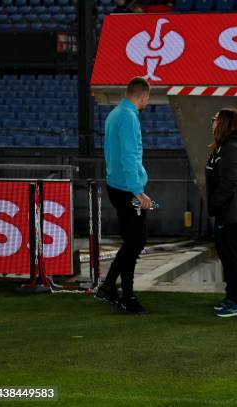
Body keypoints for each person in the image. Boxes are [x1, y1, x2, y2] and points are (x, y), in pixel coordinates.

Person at [96, 77, 151, 315]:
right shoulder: (128, 118)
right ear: (144, 97)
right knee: (135, 241)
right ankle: (127, 295)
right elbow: (130, 156)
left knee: (133, 241)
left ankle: (109, 286)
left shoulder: (115, 114)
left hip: (116, 185)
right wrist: (137, 191)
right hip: (127, 188)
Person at [205, 107, 237, 318]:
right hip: (228, 211)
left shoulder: (232, 148)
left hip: (232, 212)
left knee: (231, 257)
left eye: (215, 119)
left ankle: (236, 302)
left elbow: (230, 182)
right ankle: (231, 297)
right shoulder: (224, 147)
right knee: (227, 257)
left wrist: (216, 205)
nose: (213, 122)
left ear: (225, 123)